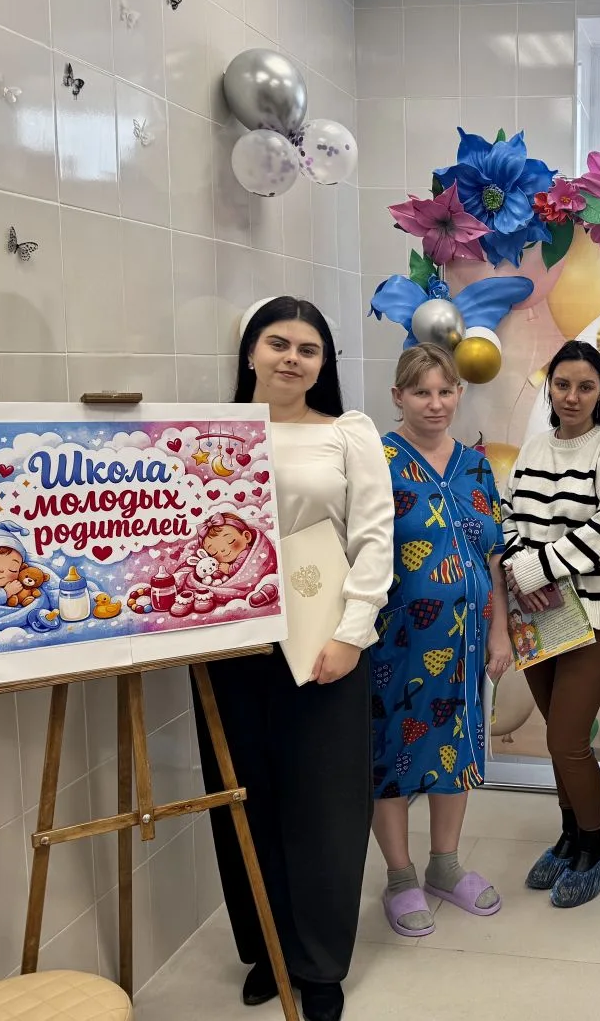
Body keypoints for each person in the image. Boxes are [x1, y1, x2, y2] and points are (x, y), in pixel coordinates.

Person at [193, 296, 393, 1021]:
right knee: (244, 797)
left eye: (309, 349)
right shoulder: (204, 436)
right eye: (278, 343)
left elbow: (373, 538)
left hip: (322, 643)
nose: (292, 358)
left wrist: (352, 632)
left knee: (324, 806)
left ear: (323, 364)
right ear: (249, 350)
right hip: (229, 644)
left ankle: (319, 964)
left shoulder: (346, 433)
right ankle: (268, 948)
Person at [369, 345, 512, 937]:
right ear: (398, 396)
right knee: (390, 755)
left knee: (457, 748)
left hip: (466, 644)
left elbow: (493, 555)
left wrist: (499, 630)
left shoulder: (476, 466)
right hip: (393, 643)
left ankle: (444, 866)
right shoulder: (377, 460)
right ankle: (400, 876)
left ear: (459, 393)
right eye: (421, 392)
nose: (436, 404)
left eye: (446, 391)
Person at [500, 340, 600, 908]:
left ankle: (597, 844)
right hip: (538, 616)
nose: (572, 396)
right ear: (550, 389)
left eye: (585, 386)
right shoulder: (535, 446)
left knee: (566, 738)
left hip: (596, 616)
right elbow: (508, 514)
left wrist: (535, 570)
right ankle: (571, 834)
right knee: (557, 739)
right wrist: (517, 568)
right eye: (562, 385)